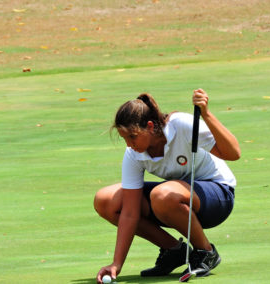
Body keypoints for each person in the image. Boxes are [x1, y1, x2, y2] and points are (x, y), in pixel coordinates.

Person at [94, 89, 240, 283]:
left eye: (133, 137)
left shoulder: (181, 124)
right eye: (125, 139)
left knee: (162, 195)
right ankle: (174, 251)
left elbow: (234, 153)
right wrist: (116, 264)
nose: (129, 144)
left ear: (149, 126)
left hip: (217, 195)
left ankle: (206, 252)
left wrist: (206, 114)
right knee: (106, 201)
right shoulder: (134, 154)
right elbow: (129, 212)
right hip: (175, 199)